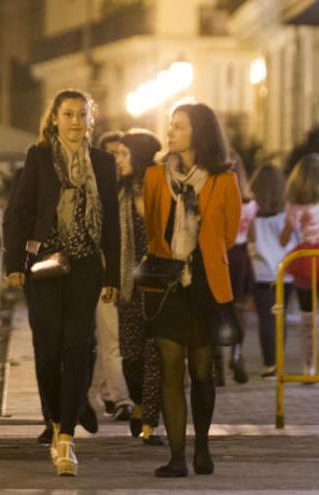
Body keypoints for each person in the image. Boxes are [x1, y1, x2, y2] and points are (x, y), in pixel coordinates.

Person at [5, 89, 120, 477]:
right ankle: (54, 421)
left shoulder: (103, 163)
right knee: (47, 350)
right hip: (44, 264)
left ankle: (67, 437)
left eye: (81, 114)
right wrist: (13, 263)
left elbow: (113, 222)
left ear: (91, 120)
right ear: (54, 118)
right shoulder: (38, 158)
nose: (74, 121)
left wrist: (114, 273)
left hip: (86, 265)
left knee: (77, 347)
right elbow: (20, 211)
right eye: (67, 114)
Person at [143, 102, 240, 478]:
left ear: (198, 132)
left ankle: (202, 447)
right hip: (166, 283)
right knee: (170, 367)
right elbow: (153, 229)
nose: (170, 132)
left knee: (201, 369)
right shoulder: (154, 177)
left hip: (204, 284)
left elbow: (229, 235)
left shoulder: (224, 180)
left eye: (178, 126)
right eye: (170, 125)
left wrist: (202, 254)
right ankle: (177, 456)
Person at [113, 129, 164, 446]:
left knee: (155, 354)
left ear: (139, 155)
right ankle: (140, 402)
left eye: (123, 154)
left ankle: (150, 420)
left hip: (160, 285)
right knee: (131, 355)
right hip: (129, 286)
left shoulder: (162, 189)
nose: (117, 160)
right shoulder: (118, 195)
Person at [89, 130, 132, 420]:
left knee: (108, 339)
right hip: (103, 272)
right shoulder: (100, 191)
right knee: (109, 337)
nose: (117, 160)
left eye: (122, 153)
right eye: (111, 154)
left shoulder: (130, 191)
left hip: (127, 275)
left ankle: (97, 393)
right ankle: (120, 398)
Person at [249, 164, 295, 378]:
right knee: (281, 317)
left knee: (265, 319)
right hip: (285, 272)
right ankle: (278, 361)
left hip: (260, 272)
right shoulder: (288, 211)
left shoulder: (251, 211)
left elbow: (250, 240)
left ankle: (269, 365)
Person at [280, 153, 319, 379]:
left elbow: (284, 239)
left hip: (305, 259)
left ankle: (309, 365)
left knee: (307, 318)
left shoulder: (294, 205)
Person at [221, 153, 256, 385]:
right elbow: (252, 236)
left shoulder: (222, 196)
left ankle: (216, 365)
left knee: (217, 309)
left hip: (223, 254)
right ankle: (237, 352)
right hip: (242, 255)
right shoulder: (251, 202)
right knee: (240, 309)